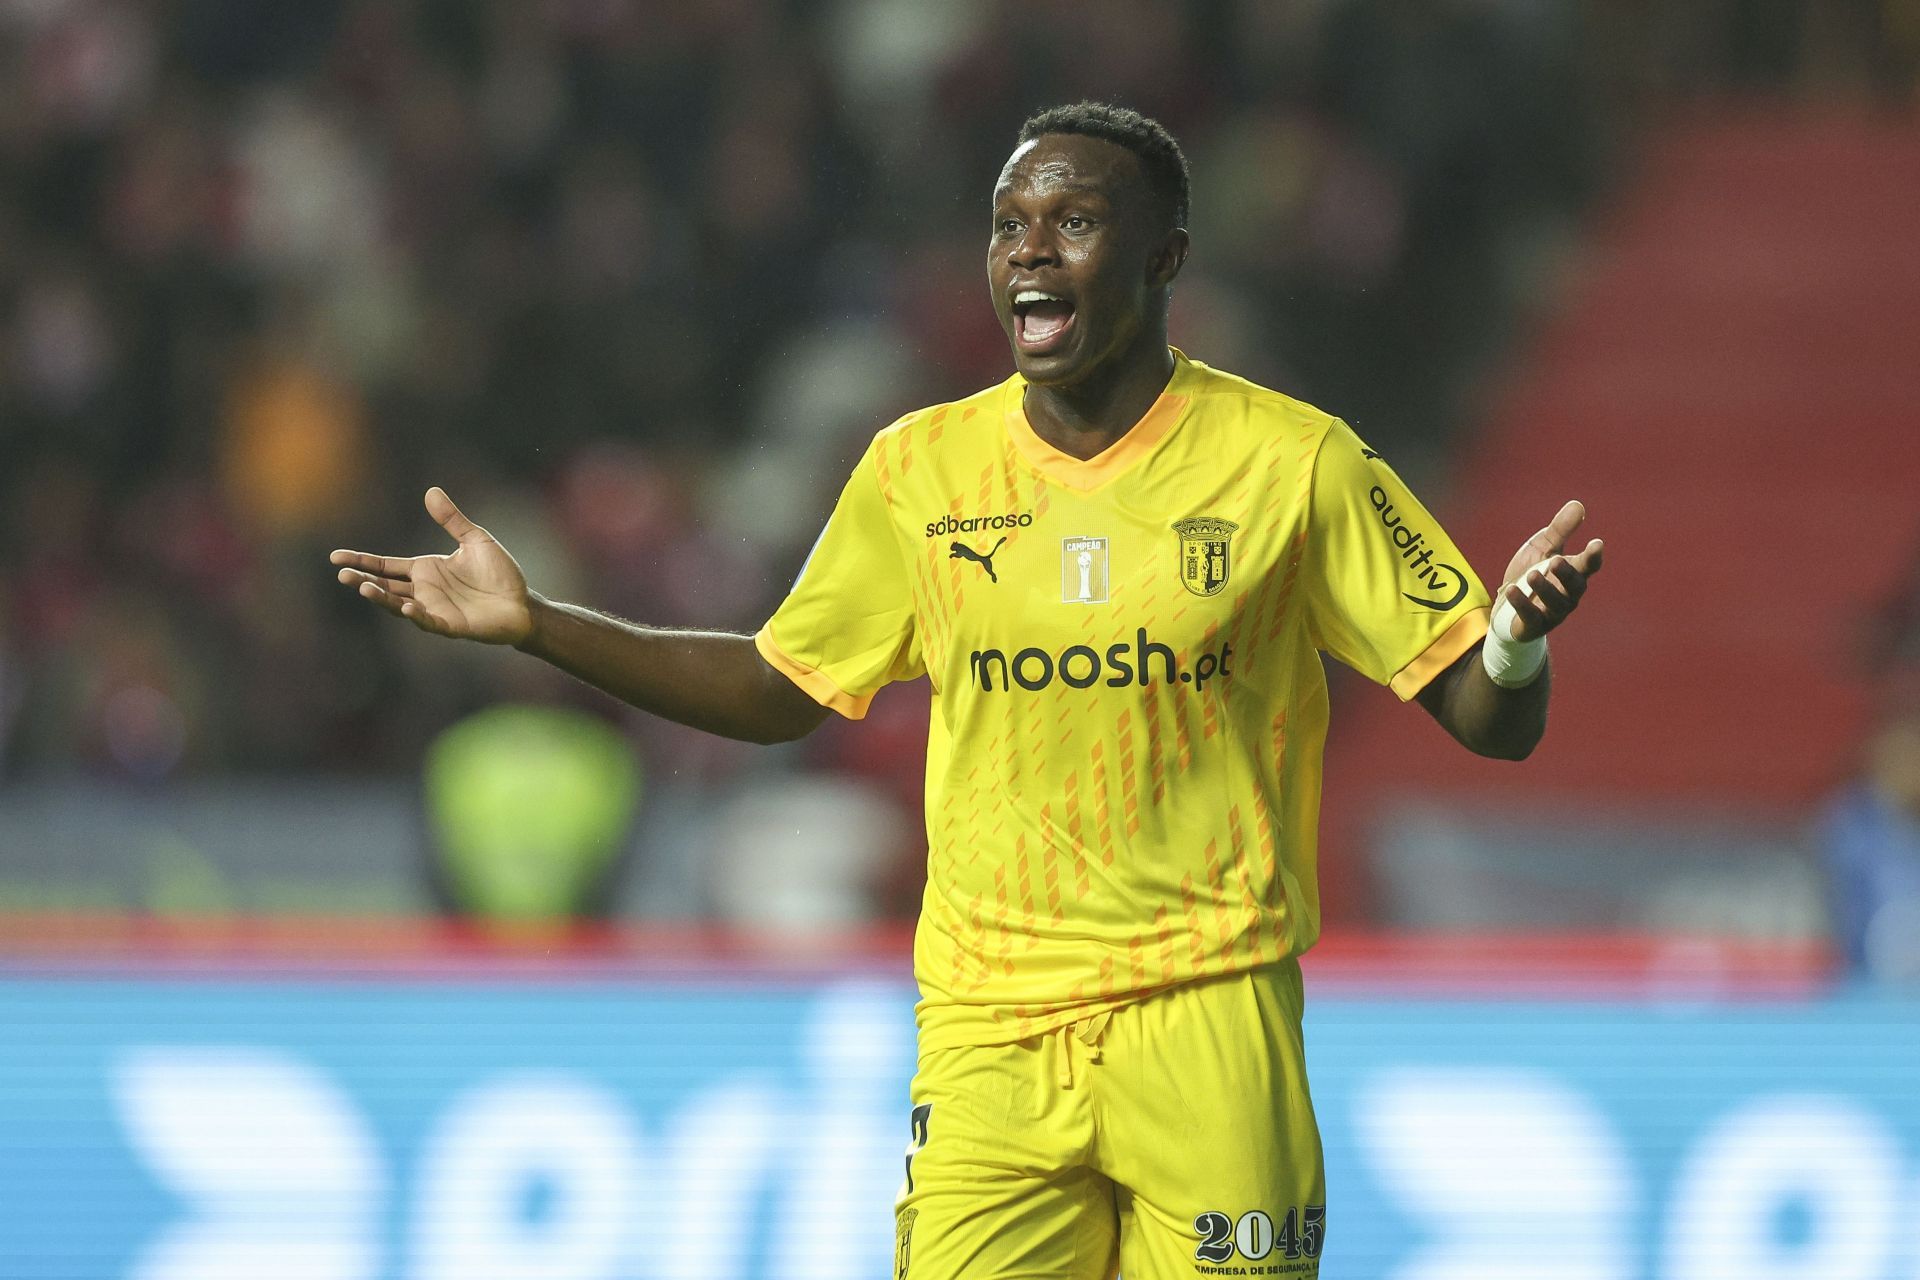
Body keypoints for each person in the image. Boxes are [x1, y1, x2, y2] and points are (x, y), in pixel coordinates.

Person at [332, 102, 1603, 1280]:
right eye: (1009, 225)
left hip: (1209, 1018)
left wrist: (1514, 643)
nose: (1030, 252)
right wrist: (539, 625)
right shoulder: (918, 471)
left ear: (1166, 258)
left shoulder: (1294, 463)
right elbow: (783, 684)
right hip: (989, 1030)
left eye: (1076, 221)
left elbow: (1494, 723)